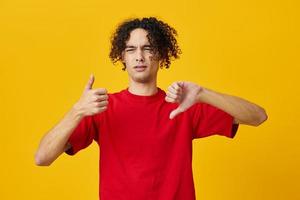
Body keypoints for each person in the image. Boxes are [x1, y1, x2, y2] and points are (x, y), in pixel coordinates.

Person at [35, 17, 268, 200]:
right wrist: (77, 110)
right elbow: (42, 158)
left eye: (148, 48)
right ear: (122, 58)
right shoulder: (102, 108)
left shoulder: (183, 105)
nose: (139, 56)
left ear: (161, 55)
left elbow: (258, 116)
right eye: (131, 49)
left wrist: (203, 94)